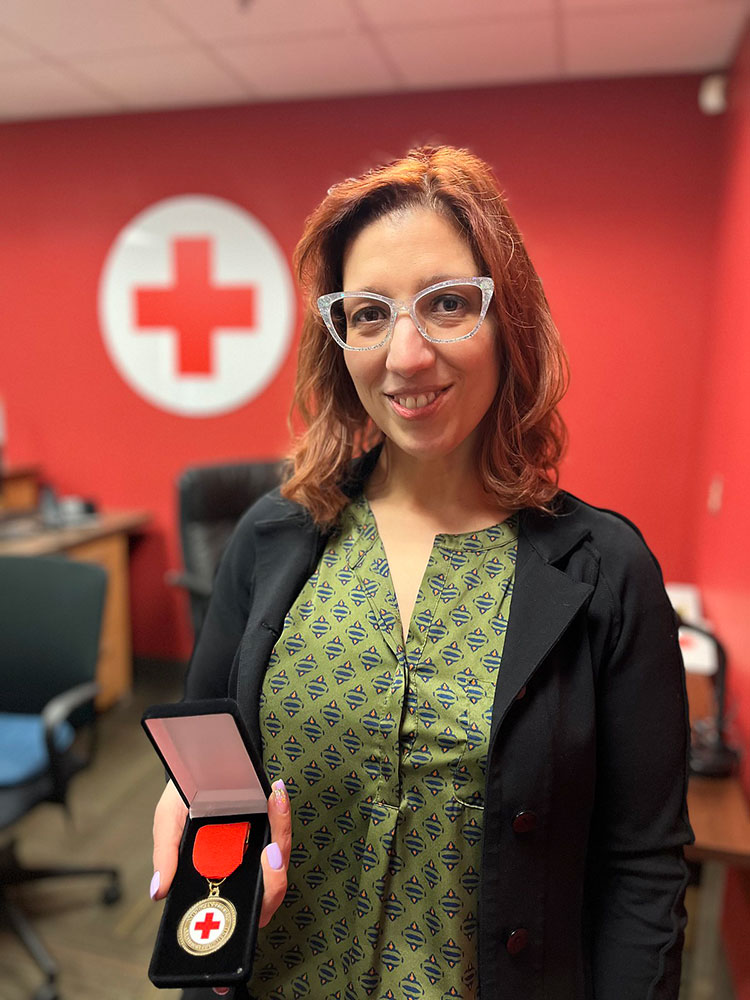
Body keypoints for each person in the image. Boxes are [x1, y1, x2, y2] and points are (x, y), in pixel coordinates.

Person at [152, 145, 692, 999]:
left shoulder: (609, 574)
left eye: (446, 304)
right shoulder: (271, 539)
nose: (405, 355)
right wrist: (191, 816)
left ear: (506, 318)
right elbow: (211, 775)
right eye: (368, 314)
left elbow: (642, 873)